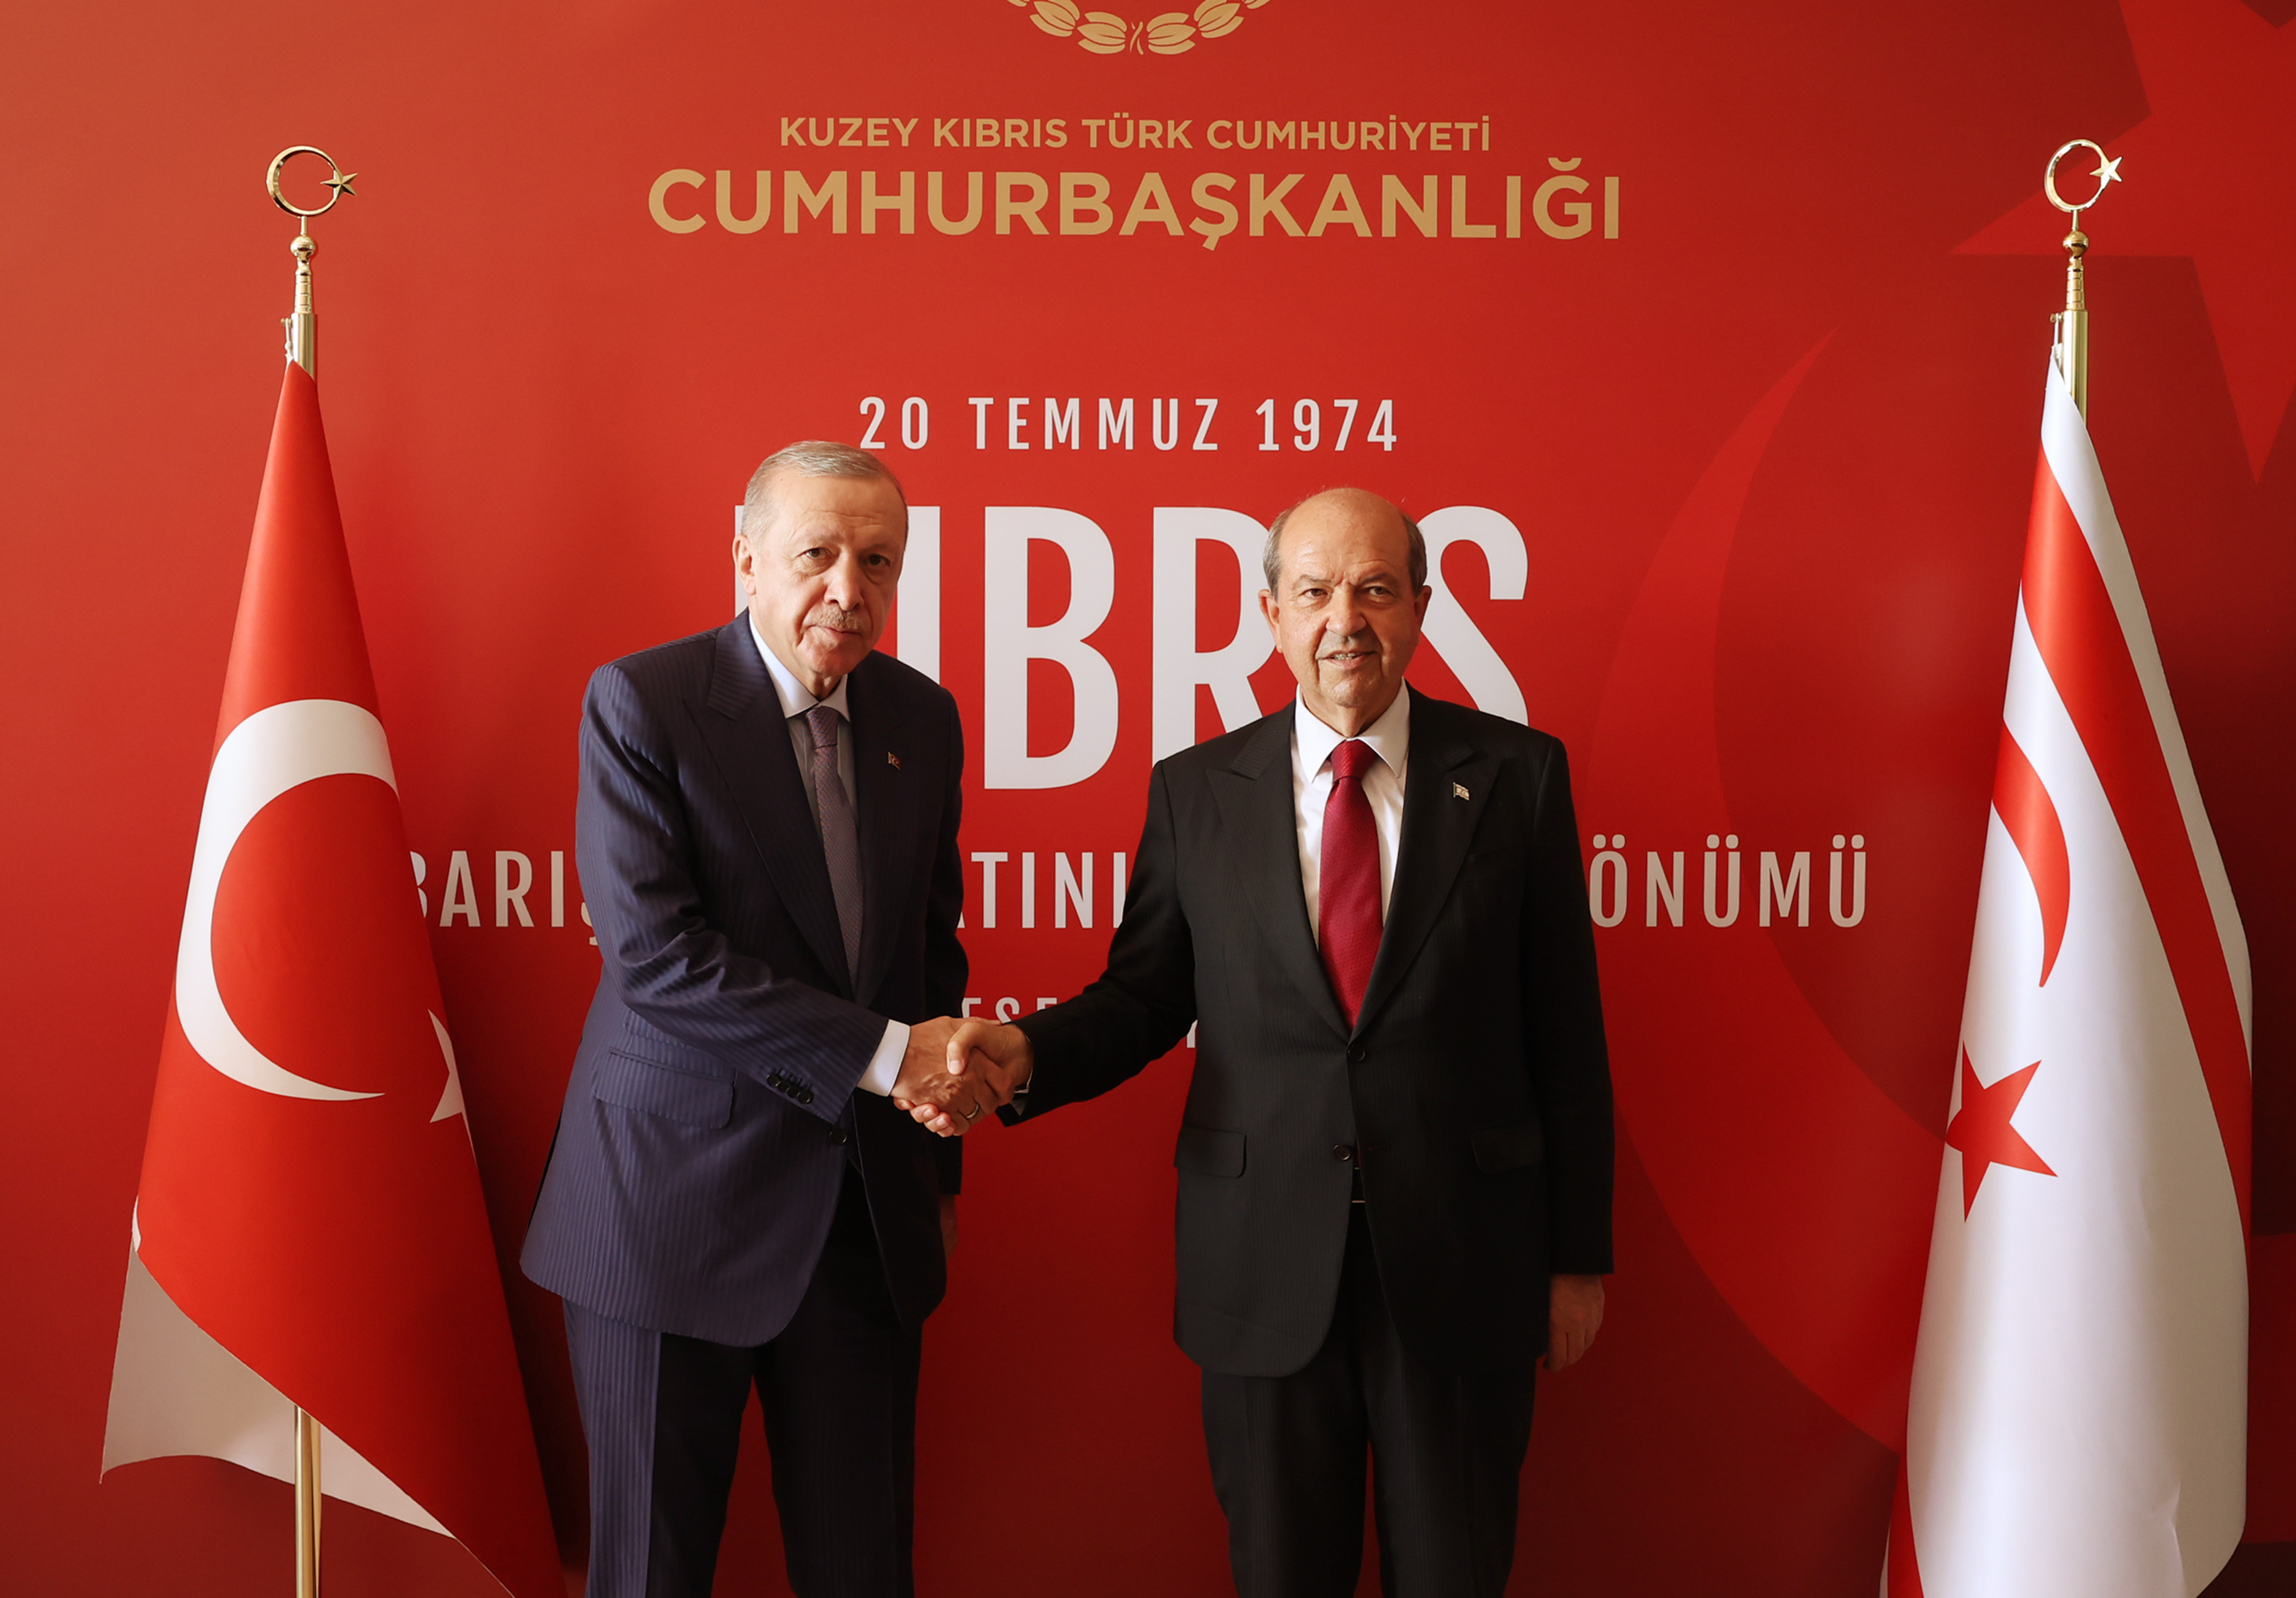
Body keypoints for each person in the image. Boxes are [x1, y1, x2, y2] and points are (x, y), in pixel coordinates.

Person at [935, 488, 1614, 1598]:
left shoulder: (1518, 776)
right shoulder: (1196, 791)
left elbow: (1567, 1032)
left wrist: (1578, 1258)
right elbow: (1144, 998)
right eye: (1316, 591)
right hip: (1260, 1269)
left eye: (1376, 589)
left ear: (1422, 607)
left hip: (1463, 1263)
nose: (1346, 619)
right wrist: (1027, 1054)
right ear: (1271, 615)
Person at [521, 442, 997, 1598]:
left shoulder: (923, 717)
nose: (849, 589)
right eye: (816, 554)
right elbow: (658, 959)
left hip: (860, 1218)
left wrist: (935, 1175)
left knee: (863, 1571)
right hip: (665, 1208)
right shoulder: (642, 701)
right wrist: (889, 1059)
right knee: (650, 1574)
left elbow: (927, 951)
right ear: (744, 557)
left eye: (877, 561)